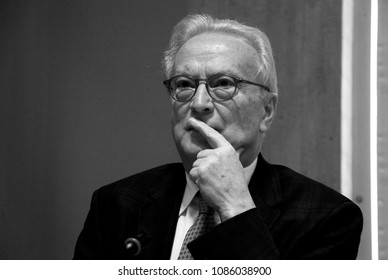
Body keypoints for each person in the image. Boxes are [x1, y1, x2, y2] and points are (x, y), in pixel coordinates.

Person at [74, 14, 363, 260]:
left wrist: (235, 207)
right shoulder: (116, 204)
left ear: (266, 111)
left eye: (223, 83)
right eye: (184, 84)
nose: (199, 103)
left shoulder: (328, 217)